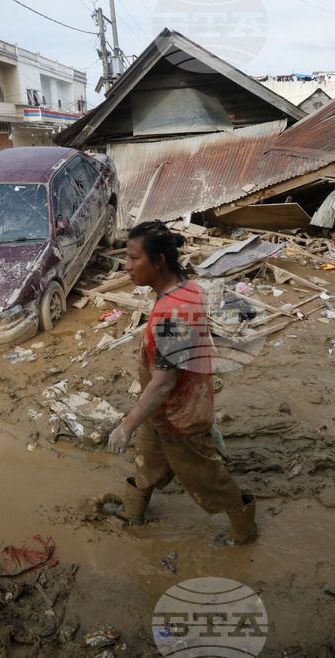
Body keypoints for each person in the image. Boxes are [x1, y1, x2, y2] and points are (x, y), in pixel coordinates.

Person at [104, 221, 256, 546]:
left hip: (179, 417)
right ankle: (133, 511)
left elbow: (163, 383)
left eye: (134, 259)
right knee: (146, 462)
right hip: (159, 414)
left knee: (207, 479)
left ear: (158, 261)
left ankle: (243, 531)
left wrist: (125, 426)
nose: (126, 266)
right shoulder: (187, 287)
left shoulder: (174, 314)